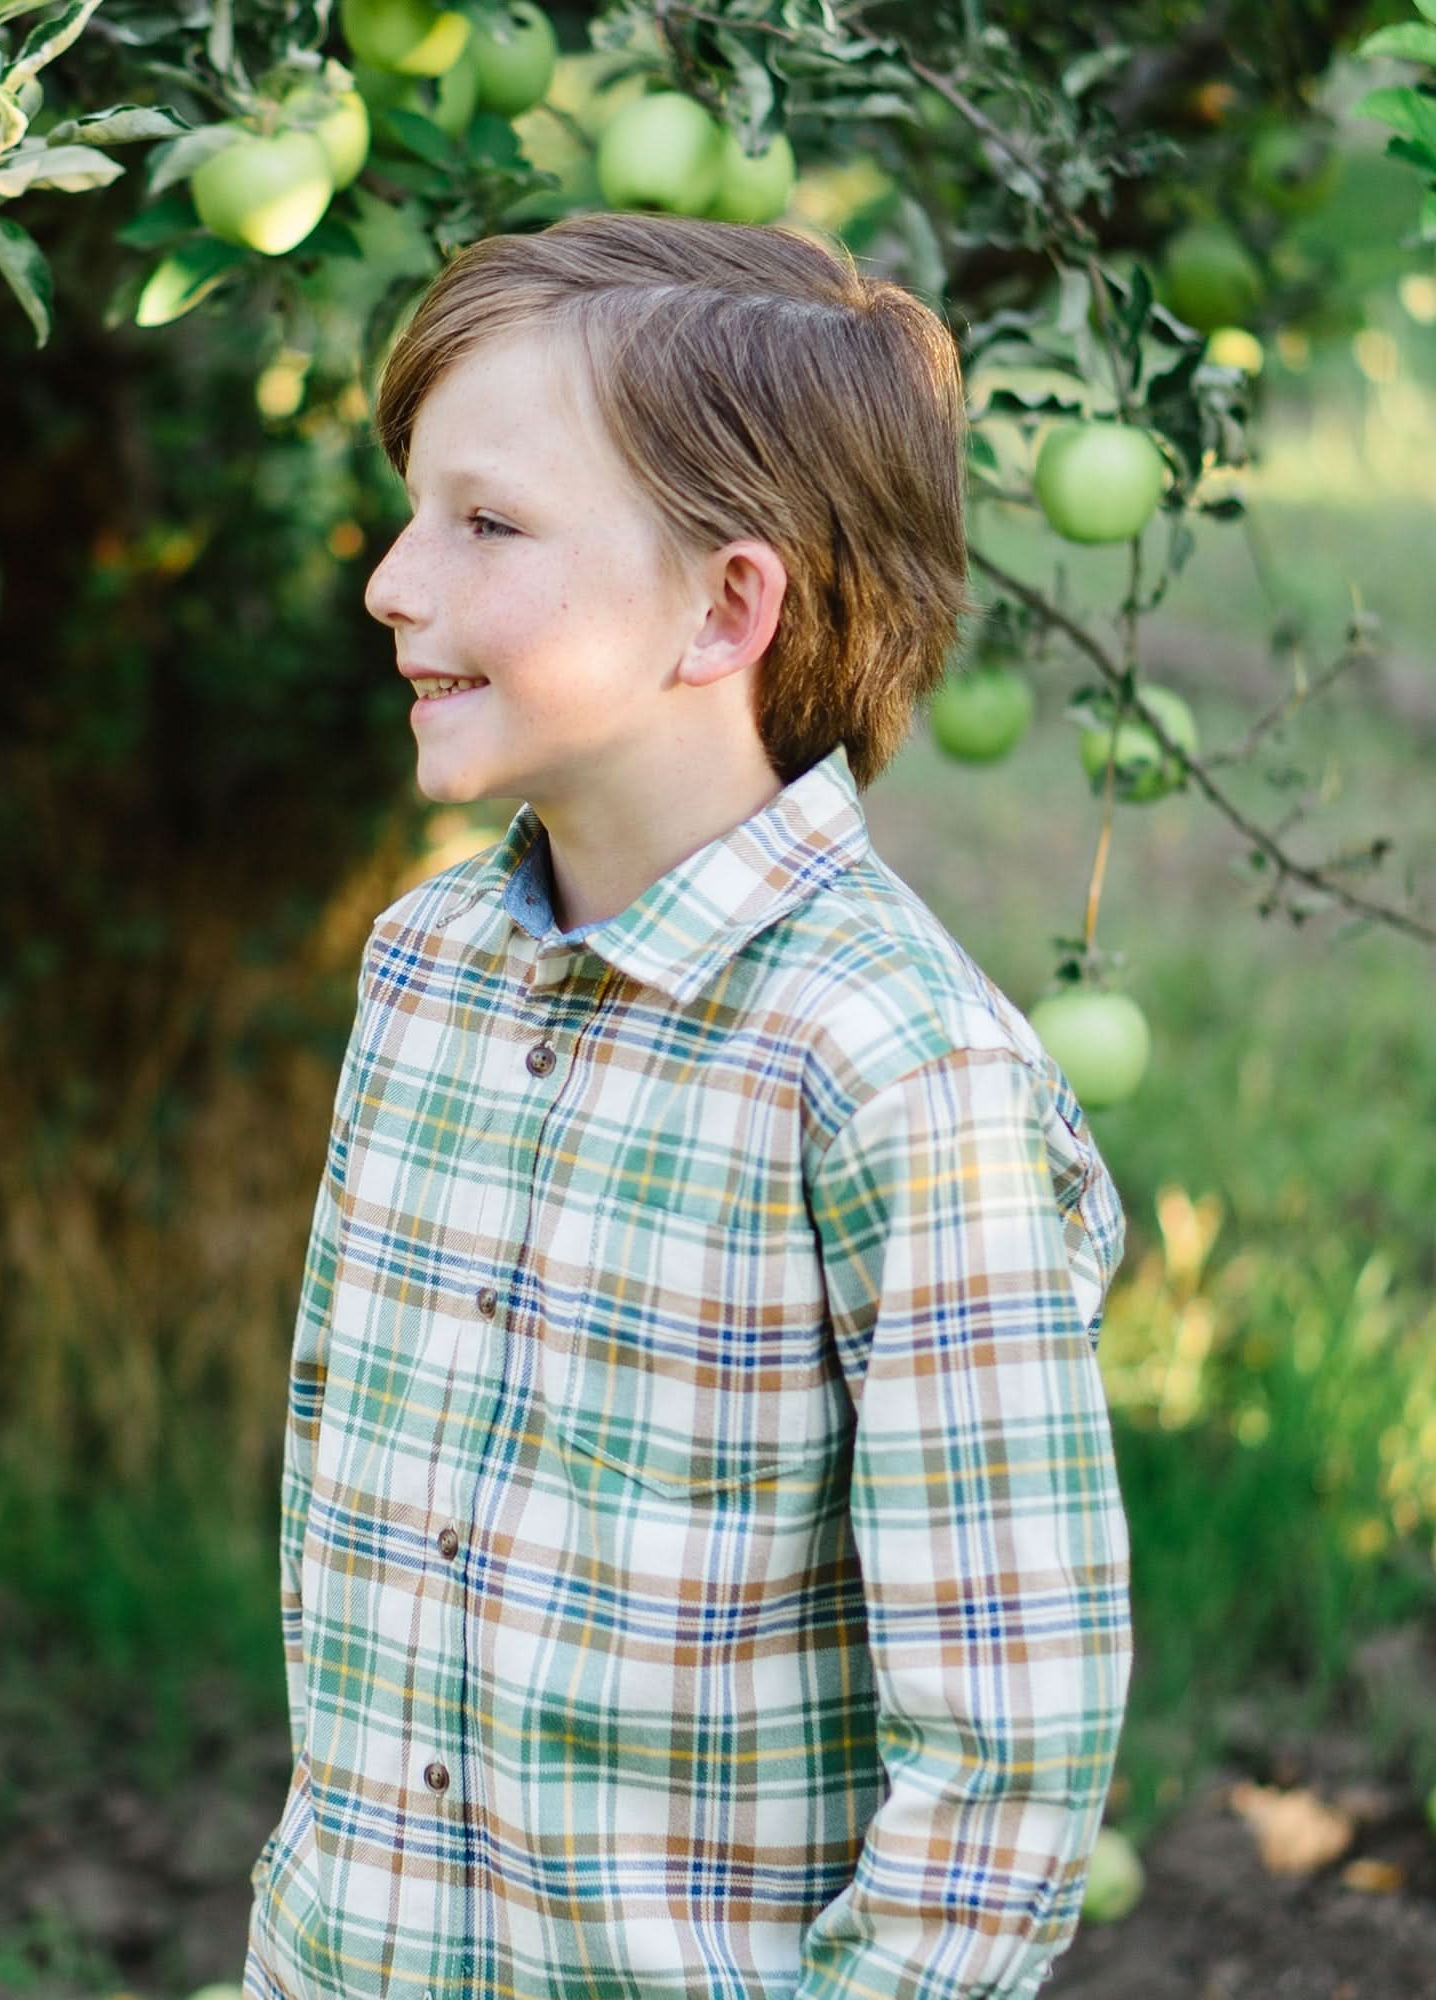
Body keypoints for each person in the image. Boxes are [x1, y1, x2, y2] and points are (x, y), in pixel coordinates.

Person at [243, 211, 1134, 2000]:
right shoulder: (424, 970)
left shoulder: (894, 1071)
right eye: (416, 511)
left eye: (486, 525)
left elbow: (1008, 1754)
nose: (392, 582)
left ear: (729, 607)